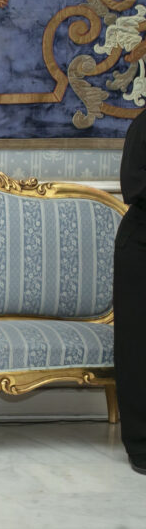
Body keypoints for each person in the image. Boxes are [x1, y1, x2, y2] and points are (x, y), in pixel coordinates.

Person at [114, 109, 146, 476]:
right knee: (139, 349)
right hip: (141, 250)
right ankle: (140, 445)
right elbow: (133, 185)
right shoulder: (143, 126)